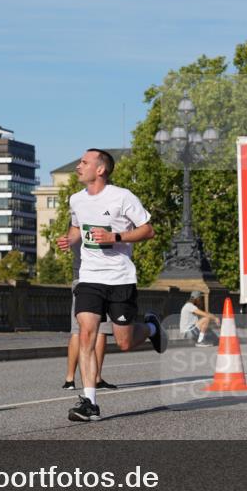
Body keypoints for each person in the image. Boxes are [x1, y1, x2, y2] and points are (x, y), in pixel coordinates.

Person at [56, 148, 167, 422]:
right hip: (90, 277)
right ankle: (89, 403)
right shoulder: (76, 200)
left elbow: (148, 230)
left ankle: (152, 327)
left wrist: (114, 236)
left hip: (120, 278)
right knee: (86, 332)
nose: (78, 166)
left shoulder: (122, 197)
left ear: (101, 169)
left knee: (124, 342)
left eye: (84, 162)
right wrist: (70, 240)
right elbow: (75, 228)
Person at [62, 243, 116, 390]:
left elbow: (70, 241)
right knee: (100, 330)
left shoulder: (76, 222)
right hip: (102, 278)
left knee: (77, 330)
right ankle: (96, 378)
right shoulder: (101, 221)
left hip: (79, 277)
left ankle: (69, 379)